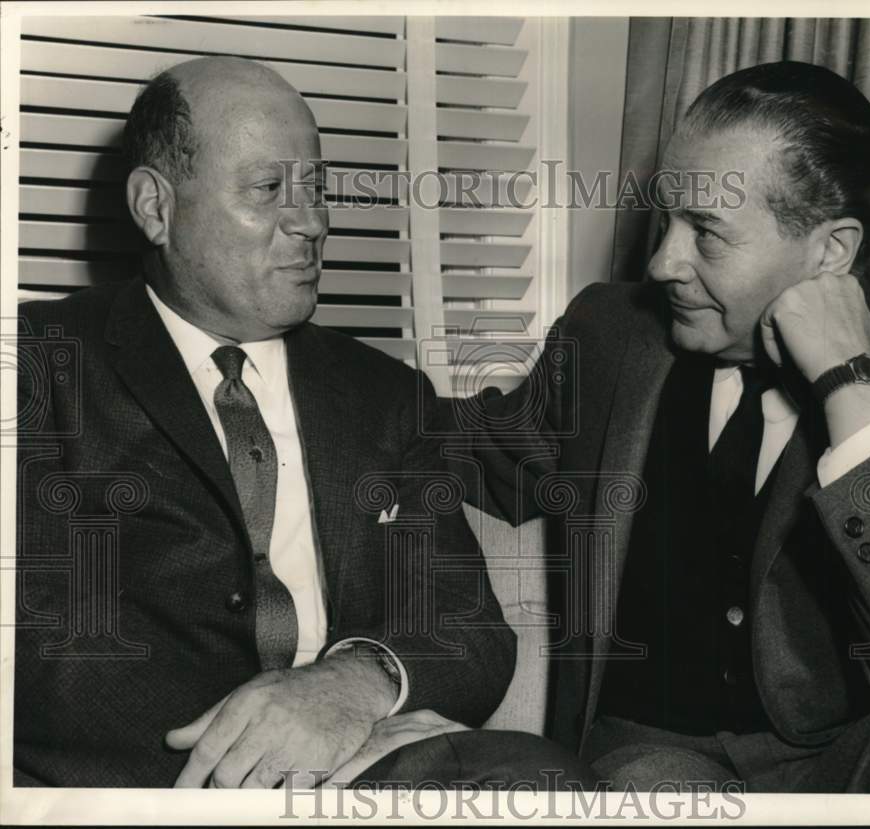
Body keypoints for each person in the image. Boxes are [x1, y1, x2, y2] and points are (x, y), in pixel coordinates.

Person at [14, 56, 595, 791]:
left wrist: (358, 684)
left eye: (316, 188)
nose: (313, 222)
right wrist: (252, 747)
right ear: (155, 208)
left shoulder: (384, 393)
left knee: (538, 778)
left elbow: (466, 625)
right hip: (142, 786)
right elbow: (29, 643)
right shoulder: (39, 365)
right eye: (268, 190)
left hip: (361, 763)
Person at [446, 61, 870, 793]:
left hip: (852, 755)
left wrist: (852, 382)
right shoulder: (610, 336)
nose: (664, 261)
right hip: (655, 749)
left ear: (831, 251)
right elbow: (463, 452)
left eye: (706, 231)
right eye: (667, 217)